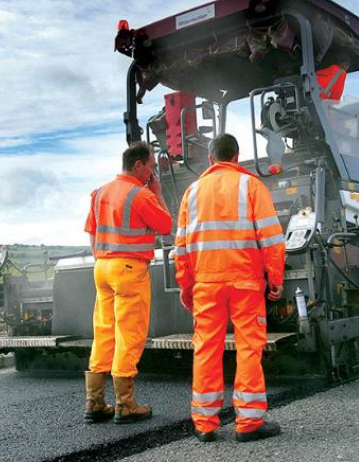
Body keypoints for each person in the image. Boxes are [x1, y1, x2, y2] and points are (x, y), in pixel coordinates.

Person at [174, 133, 286, 443]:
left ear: (210, 159)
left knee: (206, 348)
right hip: (245, 282)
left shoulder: (192, 192)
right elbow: (272, 238)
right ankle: (248, 423)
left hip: (206, 284)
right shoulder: (252, 186)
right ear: (236, 156)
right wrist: (275, 278)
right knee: (249, 346)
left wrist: (186, 285)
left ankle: (205, 423)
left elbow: (181, 246)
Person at [83, 142, 172, 424]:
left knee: (104, 332)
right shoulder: (142, 195)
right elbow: (167, 226)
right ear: (138, 166)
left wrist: (101, 256)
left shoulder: (99, 193)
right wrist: (158, 194)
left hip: (102, 267)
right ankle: (125, 404)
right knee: (129, 335)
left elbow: (91, 232)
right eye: (151, 167)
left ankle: (94, 402)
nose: (152, 173)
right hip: (129, 269)